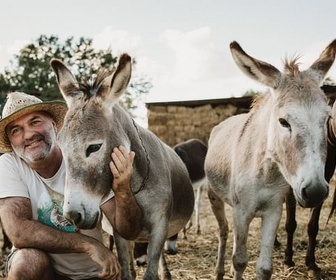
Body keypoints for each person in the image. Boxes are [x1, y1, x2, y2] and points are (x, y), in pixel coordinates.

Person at [0, 92, 143, 280]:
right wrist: (89, 245)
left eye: (35, 122)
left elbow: (129, 231)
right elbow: (18, 231)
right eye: (16, 130)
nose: (28, 134)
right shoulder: (9, 164)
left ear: (53, 123)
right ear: (10, 141)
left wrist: (123, 189)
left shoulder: (83, 155)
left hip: (94, 273)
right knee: (26, 261)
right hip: (46, 273)